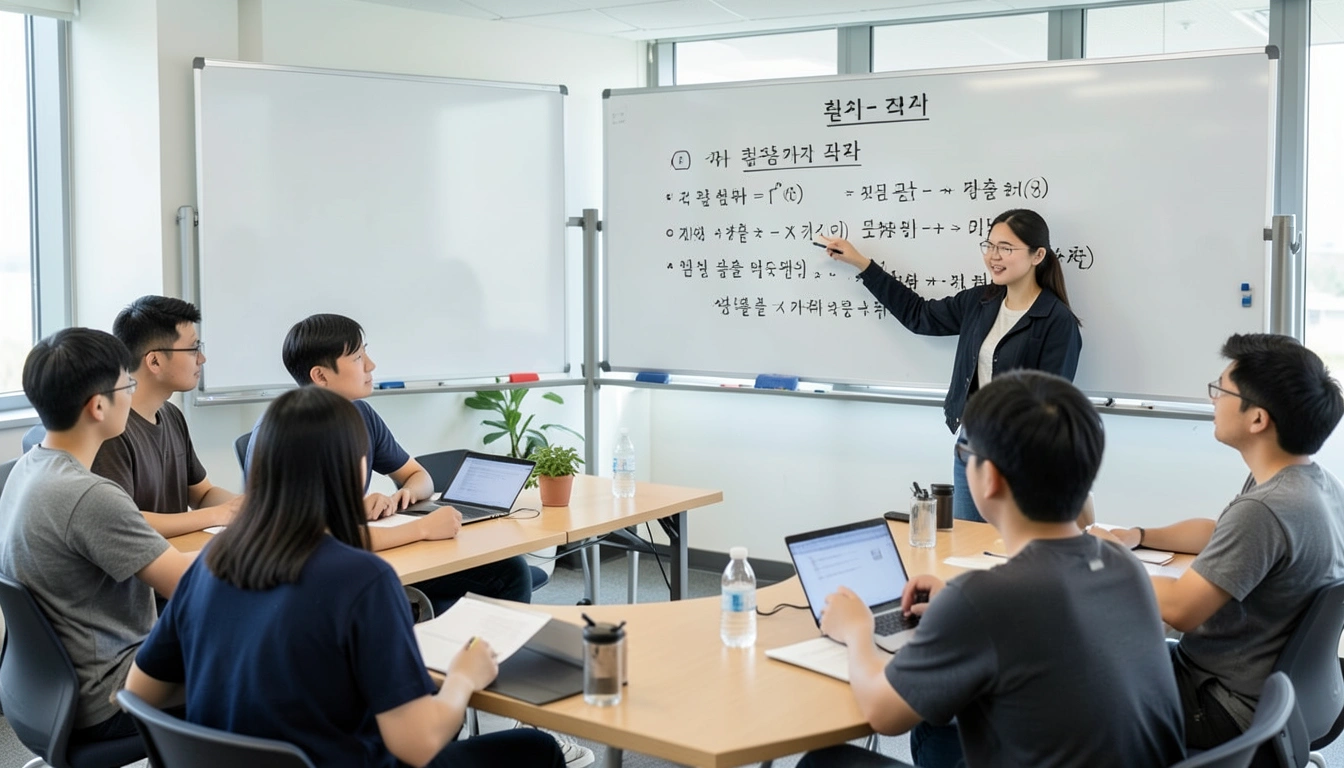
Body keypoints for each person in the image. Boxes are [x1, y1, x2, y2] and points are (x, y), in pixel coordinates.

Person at [124, 387, 565, 768]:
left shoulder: (211, 561)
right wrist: (463, 679)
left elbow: (140, 691)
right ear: (356, 470)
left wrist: (245, 674)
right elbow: (416, 745)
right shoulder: (363, 580)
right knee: (536, 748)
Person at [800, 371, 1185, 768]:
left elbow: (883, 714)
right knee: (939, 719)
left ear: (991, 478)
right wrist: (956, 608)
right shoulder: (1123, 564)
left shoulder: (985, 597)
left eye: (966, 454)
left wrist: (857, 630)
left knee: (823, 762)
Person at [1093, 333, 1344, 762]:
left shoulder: (1266, 509)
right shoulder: (1310, 484)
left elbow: (1179, 610)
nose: (1212, 399)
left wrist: (1105, 556)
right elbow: (1218, 532)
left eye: (1221, 389)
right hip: (1287, 693)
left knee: (1067, 681)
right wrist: (1137, 535)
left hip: (1223, 705)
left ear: (1258, 419)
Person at [243, 314, 534, 613]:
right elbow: (321, 540)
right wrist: (422, 529)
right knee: (508, 573)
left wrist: (397, 495)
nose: (370, 365)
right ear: (320, 376)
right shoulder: (291, 432)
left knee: (503, 565)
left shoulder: (359, 413)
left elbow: (418, 475)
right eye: (357, 357)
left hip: (359, 552)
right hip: (318, 574)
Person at [821, 209, 1082, 522]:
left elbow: (1051, 409)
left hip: (1020, 456)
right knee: (967, 547)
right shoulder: (981, 302)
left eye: (1006, 248)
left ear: (1038, 255)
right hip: (971, 444)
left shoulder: (1057, 322)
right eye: (990, 245)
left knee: (1010, 554)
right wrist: (862, 264)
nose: (993, 257)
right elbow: (920, 315)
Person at [0, 328, 192, 745]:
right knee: (266, 665)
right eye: (129, 384)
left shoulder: (28, 466)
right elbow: (192, 585)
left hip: (46, 690)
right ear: (98, 406)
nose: (133, 394)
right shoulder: (89, 495)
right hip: (110, 694)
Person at [90, 295, 240, 537]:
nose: (202, 359)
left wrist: (249, 508)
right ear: (155, 361)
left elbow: (201, 494)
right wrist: (218, 514)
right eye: (193, 349)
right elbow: (124, 522)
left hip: (176, 556)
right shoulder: (111, 429)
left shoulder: (171, 415)